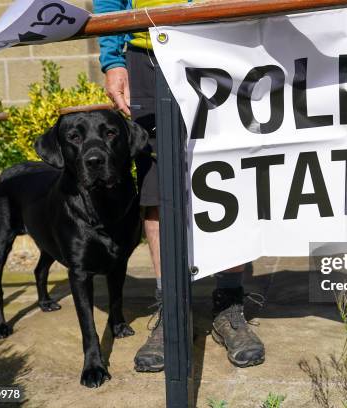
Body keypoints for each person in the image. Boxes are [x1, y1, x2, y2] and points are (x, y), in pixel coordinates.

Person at [93, 0, 265, 371]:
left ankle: (229, 306)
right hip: (150, 52)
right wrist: (113, 59)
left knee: (230, 180)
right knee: (158, 191)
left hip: (225, 48)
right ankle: (172, 310)